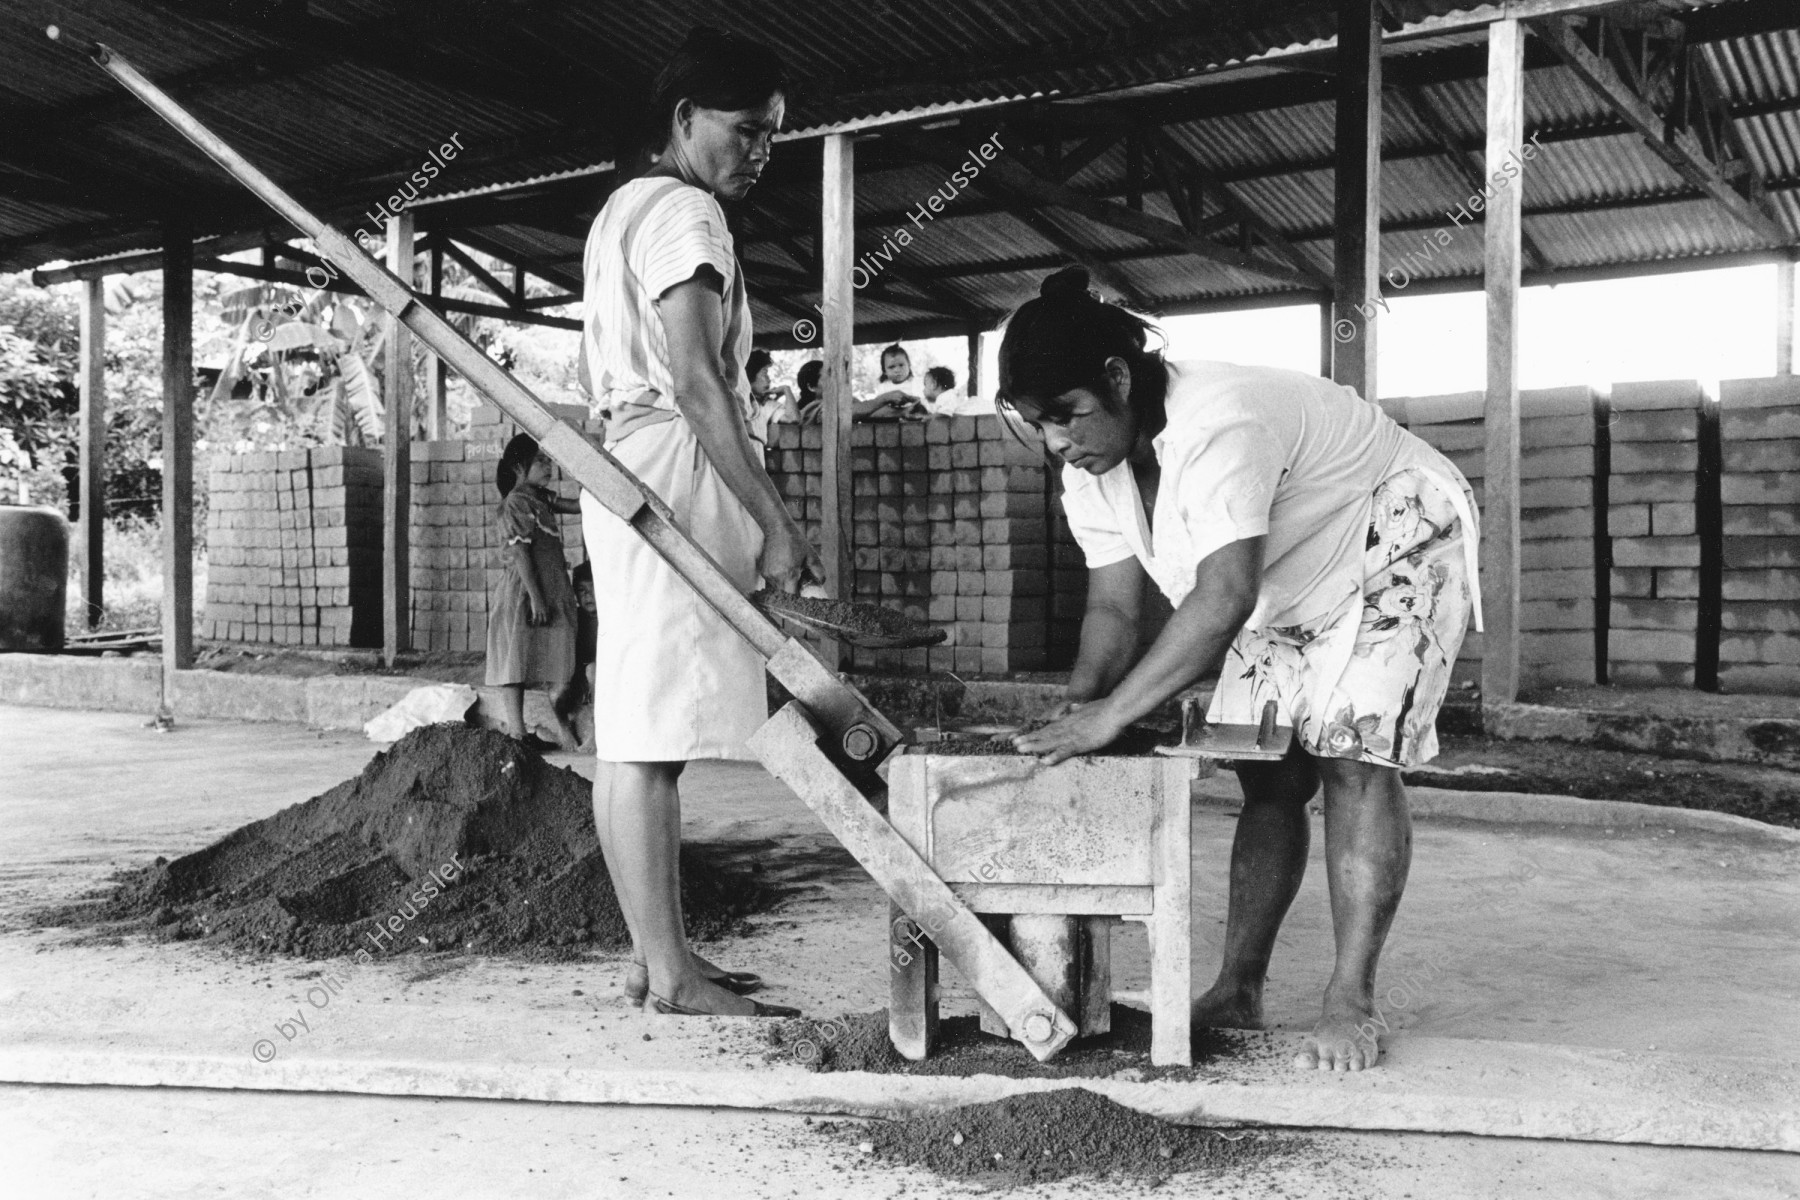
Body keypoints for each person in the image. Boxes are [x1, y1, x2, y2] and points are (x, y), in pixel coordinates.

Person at [1000, 266, 1481, 1073]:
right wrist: (1077, 713)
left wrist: (1115, 717)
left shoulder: (1218, 422)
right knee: (1267, 773)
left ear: (1117, 378)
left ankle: (1350, 1000)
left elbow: (1222, 597)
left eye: (1068, 416)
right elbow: (1115, 609)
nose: (1057, 441)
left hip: (1394, 536)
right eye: (1037, 424)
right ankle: (1239, 987)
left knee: (1349, 755)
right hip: (1288, 575)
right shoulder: (1093, 466)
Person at [579, 26, 816, 1019]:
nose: (758, 152)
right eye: (744, 131)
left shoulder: (629, 207)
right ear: (683, 121)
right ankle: (671, 974)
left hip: (638, 464)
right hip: (673, 465)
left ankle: (658, 957)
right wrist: (775, 520)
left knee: (649, 724)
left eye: (771, 138)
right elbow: (699, 378)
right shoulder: (686, 215)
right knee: (641, 731)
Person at [486, 433, 582, 751]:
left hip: (552, 590)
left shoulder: (543, 499)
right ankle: (517, 733)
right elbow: (520, 554)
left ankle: (565, 731)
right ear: (518, 466)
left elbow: (579, 505)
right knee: (516, 660)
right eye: (540, 460)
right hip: (525, 593)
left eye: (548, 459)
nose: (548, 465)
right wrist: (536, 597)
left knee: (558, 660)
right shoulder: (514, 504)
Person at [745, 348, 798, 443]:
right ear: (750, 375)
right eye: (765, 373)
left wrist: (786, 389)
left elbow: (792, 418)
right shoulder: (732, 401)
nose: (769, 380)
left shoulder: (766, 405)